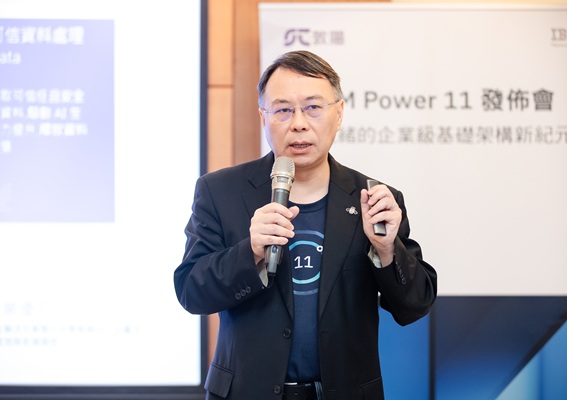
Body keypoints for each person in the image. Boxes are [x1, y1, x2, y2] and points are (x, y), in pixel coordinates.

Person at [174, 50, 437, 400]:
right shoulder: (220, 191)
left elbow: (415, 305)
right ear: (263, 117)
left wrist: (388, 251)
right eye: (283, 110)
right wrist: (250, 252)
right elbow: (191, 291)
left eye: (313, 107)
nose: (298, 123)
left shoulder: (374, 199)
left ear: (339, 113)